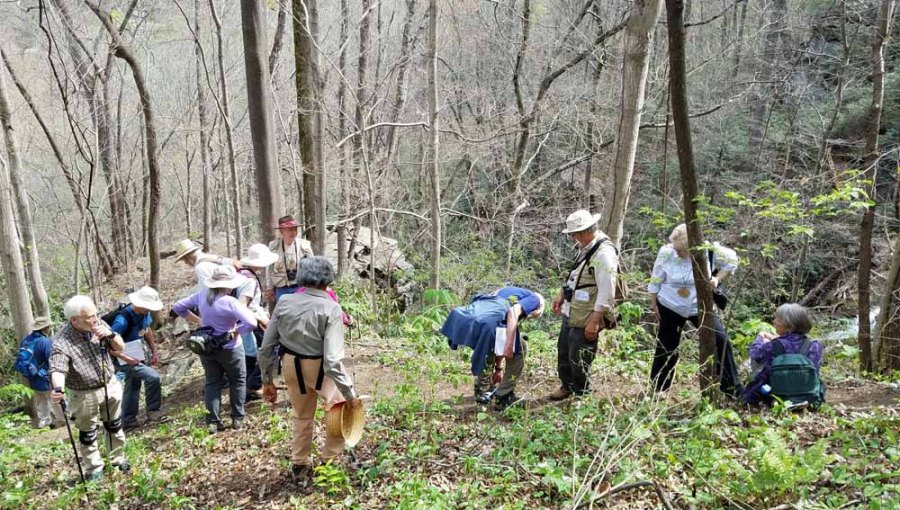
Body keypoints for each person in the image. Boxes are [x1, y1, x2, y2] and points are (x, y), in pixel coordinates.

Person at [259, 256, 361, 481]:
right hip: (320, 368)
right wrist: (350, 393)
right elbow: (333, 360)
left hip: (290, 364)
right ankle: (330, 461)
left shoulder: (284, 302)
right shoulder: (331, 308)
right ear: (328, 280)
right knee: (337, 409)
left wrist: (267, 380)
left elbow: (266, 347)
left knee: (301, 414)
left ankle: (299, 463)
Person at [648, 223, 742, 396]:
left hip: (698, 305)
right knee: (666, 346)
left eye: (681, 250)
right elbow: (656, 279)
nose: (677, 253)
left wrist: (716, 278)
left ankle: (731, 389)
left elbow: (732, 261)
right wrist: (654, 303)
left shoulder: (708, 251)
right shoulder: (666, 252)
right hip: (670, 304)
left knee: (721, 340)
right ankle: (659, 389)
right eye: (675, 248)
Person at [49, 295, 130, 481]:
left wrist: (110, 335)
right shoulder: (62, 341)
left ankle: (117, 459)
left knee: (114, 424)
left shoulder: (99, 323)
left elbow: (120, 347)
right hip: (84, 393)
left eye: (95, 315)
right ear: (74, 320)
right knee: (88, 433)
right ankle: (94, 469)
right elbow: (58, 368)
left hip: (109, 383)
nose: (94, 319)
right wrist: (58, 388)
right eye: (89, 317)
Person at [172, 266, 258, 433]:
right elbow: (251, 322)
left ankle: (213, 421)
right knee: (238, 380)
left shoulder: (201, 295)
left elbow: (178, 307)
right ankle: (237, 418)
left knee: (212, 381)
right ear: (228, 285)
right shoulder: (230, 302)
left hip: (206, 346)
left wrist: (198, 320)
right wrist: (237, 330)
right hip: (230, 348)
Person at [548, 210, 618, 401]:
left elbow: (607, 291)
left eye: (574, 234)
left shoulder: (604, 254)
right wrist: (562, 293)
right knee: (564, 350)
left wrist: (595, 321)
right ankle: (567, 386)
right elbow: (577, 275)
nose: (572, 238)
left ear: (586, 231)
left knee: (580, 356)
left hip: (588, 315)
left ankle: (582, 394)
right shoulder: (587, 247)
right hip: (572, 309)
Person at [475, 287, 545, 410]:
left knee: (489, 349)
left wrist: (498, 368)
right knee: (520, 348)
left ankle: (482, 390)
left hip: (478, 321)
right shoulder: (535, 300)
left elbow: (499, 343)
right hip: (491, 323)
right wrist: (509, 345)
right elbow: (513, 312)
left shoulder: (507, 292)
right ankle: (504, 396)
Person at [742, 303, 824, 406]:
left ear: (789, 325)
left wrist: (760, 337)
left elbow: (755, 354)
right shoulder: (814, 345)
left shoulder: (772, 345)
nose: (774, 321)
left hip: (774, 393)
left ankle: (767, 399)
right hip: (808, 394)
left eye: (778, 319)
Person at [109, 287, 167, 430]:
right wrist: (126, 358)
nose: (149, 309)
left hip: (136, 353)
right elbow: (108, 346)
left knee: (133, 384)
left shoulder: (144, 313)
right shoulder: (121, 321)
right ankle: (154, 411)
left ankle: (128, 420)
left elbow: (147, 330)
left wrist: (154, 351)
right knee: (153, 377)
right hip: (121, 358)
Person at [237, 243, 279, 400]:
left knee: (249, 357)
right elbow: (242, 306)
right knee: (269, 351)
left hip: (244, 323)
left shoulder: (240, 275)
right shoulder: (249, 281)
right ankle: (253, 385)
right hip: (252, 323)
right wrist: (261, 318)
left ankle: (246, 390)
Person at [15, 316, 63, 429]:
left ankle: (44, 421)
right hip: (45, 376)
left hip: (32, 377)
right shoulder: (44, 341)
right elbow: (51, 359)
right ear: (45, 328)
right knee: (55, 398)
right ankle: (63, 419)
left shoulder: (26, 340)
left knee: (40, 400)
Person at [266, 215, 314, 304]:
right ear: (281, 231)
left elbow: (313, 267)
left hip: (301, 287)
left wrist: (313, 285)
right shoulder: (273, 247)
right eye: (289, 229)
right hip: (281, 289)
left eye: (295, 229)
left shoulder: (305, 246)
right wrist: (269, 287)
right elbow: (270, 269)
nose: (293, 232)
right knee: (284, 311)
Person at [172, 239, 236, 291]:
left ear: (188, 257)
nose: (186, 263)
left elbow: (207, 291)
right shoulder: (211, 257)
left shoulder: (201, 267)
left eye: (184, 260)